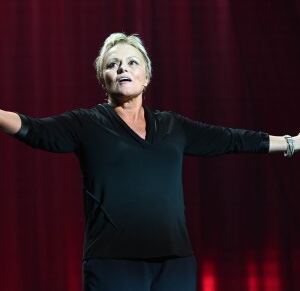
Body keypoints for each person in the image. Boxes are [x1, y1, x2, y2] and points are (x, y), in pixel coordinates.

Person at [0, 32, 299, 291]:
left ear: (147, 77)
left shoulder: (173, 126)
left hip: (175, 261)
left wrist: (290, 143)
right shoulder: (85, 124)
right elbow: (34, 129)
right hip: (112, 263)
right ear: (102, 78)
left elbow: (231, 139)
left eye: (132, 62)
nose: (122, 69)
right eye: (112, 64)